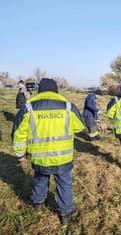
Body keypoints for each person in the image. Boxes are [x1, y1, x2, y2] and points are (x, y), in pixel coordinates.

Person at [11, 78, 85, 227]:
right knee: (64, 184)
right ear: (56, 91)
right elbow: (79, 127)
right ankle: (65, 214)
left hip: (40, 158)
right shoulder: (68, 107)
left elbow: (18, 134)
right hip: (63, 157)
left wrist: (20, 154)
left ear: (40, 91)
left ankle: (38, 203)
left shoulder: (28, 108)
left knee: (40, 179)